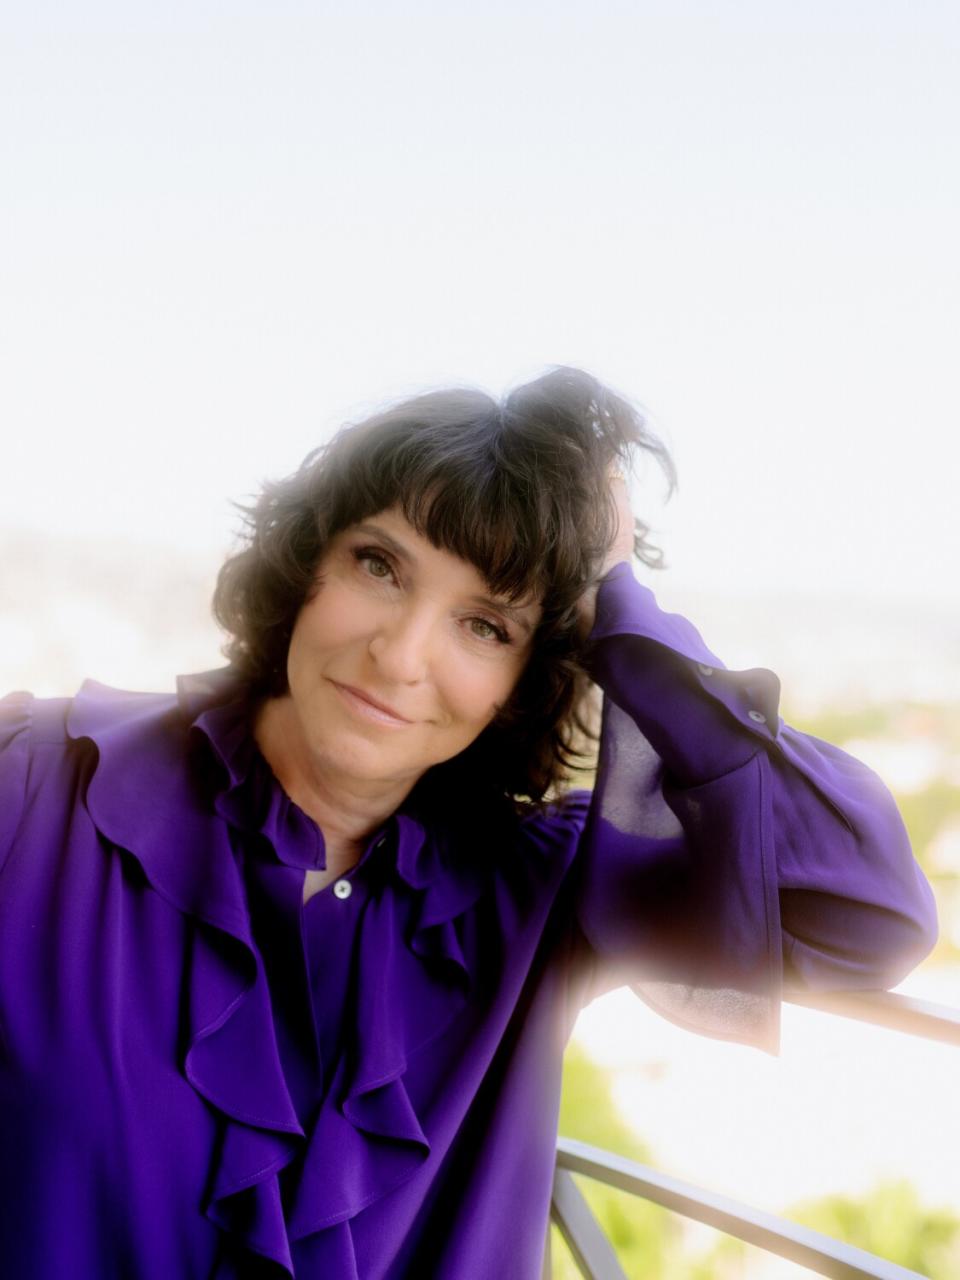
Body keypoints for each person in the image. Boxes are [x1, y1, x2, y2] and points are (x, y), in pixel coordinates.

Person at [0, 366, 938, 1279]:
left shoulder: (542, 888)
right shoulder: (40, 785)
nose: (399, 656)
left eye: (486, 625)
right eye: (379, 566)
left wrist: (620, 606)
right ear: (308, 564)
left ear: (527, 684)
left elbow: (868, 911)